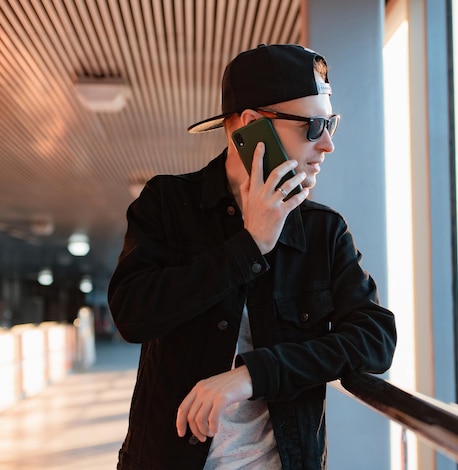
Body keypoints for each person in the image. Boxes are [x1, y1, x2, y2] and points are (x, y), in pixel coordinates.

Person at [108, 43, 397, 470]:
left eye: (330, 122)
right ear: (251, 126)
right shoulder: (168, 204)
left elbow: (376, 338)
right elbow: (132, 316)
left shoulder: (322, 231)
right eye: (314, 126)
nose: (328, 144)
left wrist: (254, 374)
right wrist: (249, 246)